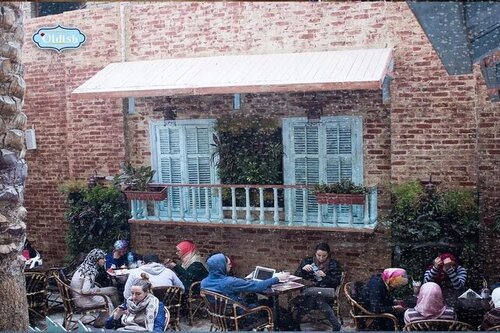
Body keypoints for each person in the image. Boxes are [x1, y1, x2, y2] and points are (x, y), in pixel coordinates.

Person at [201, 253, 293, 330]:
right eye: (228, 264)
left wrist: (245, 281)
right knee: (277, 310)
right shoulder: (229, 282)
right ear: (221, 266)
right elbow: (258, 286)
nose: (231, 265)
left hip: (223, 318)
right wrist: (277, 278)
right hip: (241, 319)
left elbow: (229, 285)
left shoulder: (204, 282)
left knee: (256, 298)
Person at [293, 242, 343, 331]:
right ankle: (336, 325)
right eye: (318, 255)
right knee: (316, 297)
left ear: (328, 255)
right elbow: (296, 277)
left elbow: (336, 282)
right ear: (315, 253)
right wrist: (303, 270)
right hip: (308, 291)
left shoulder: (333, 264)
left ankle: (296, 323)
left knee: (317, 298)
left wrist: (325, 277)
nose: (321, 258)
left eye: (324, 256)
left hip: (325, 292)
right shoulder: (307, 261)